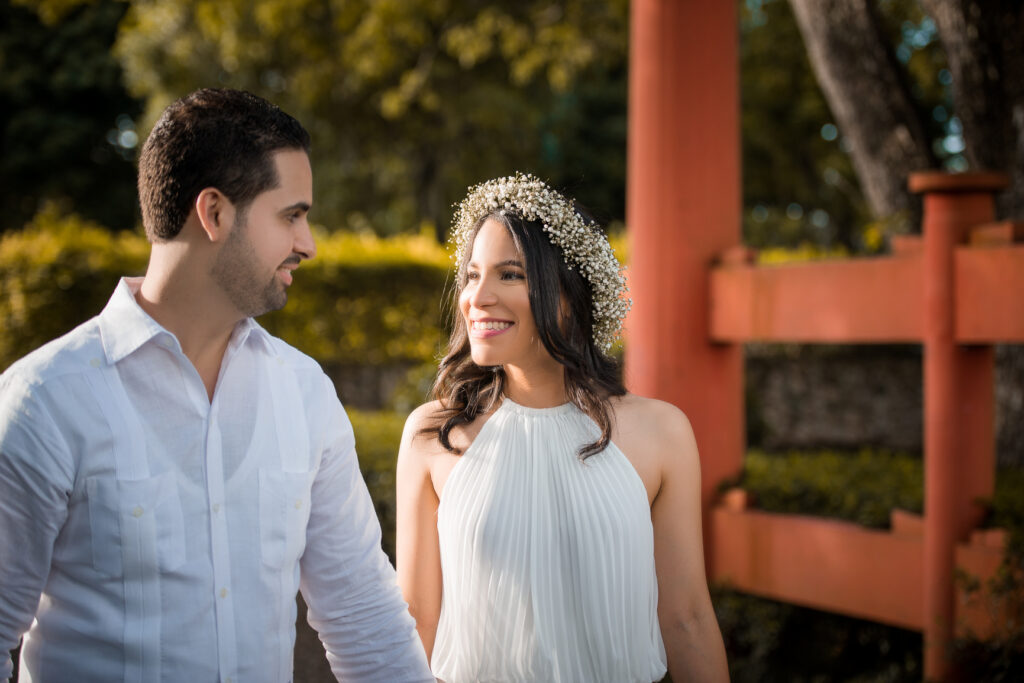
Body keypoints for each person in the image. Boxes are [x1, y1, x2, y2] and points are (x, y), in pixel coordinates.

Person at [0, 88, 432, 682]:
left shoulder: (304, 394)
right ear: (214, 213)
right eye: (292, 215)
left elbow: (363, 613)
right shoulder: (43, 404)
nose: (308, 244)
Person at [396, 173, 730, 682]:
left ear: (569, 295)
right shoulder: (432, 437)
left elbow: (685, 619)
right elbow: (416, 621)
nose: (477, 298)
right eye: (471, 275)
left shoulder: (662, 434)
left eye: (510, 275)